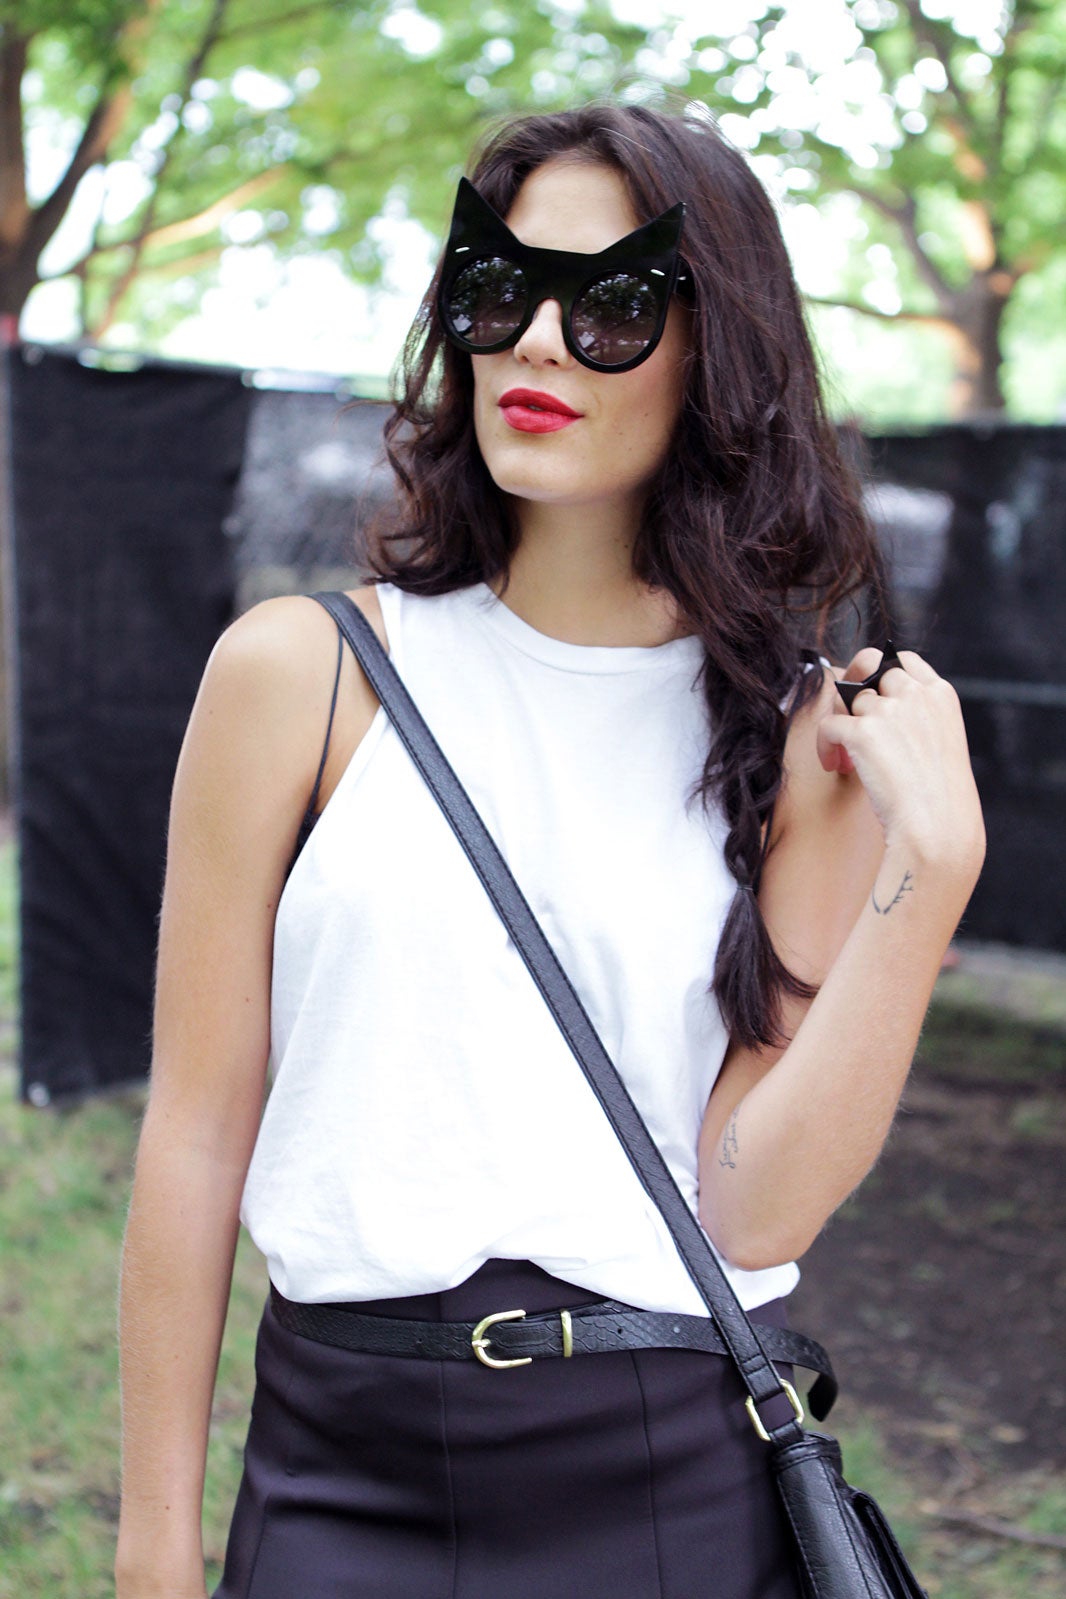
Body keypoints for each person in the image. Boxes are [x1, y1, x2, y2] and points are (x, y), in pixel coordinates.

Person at [114, 102, 985, 1599]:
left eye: (614, 304)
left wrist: (935, 871)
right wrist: (152, 1550)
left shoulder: (801, 740)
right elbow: (195, 1132)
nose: (533, 340)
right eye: (498, 289)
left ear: (720, 355)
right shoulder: (298, 674)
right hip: (338, 1462)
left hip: (664, 1473)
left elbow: (757, 1205)